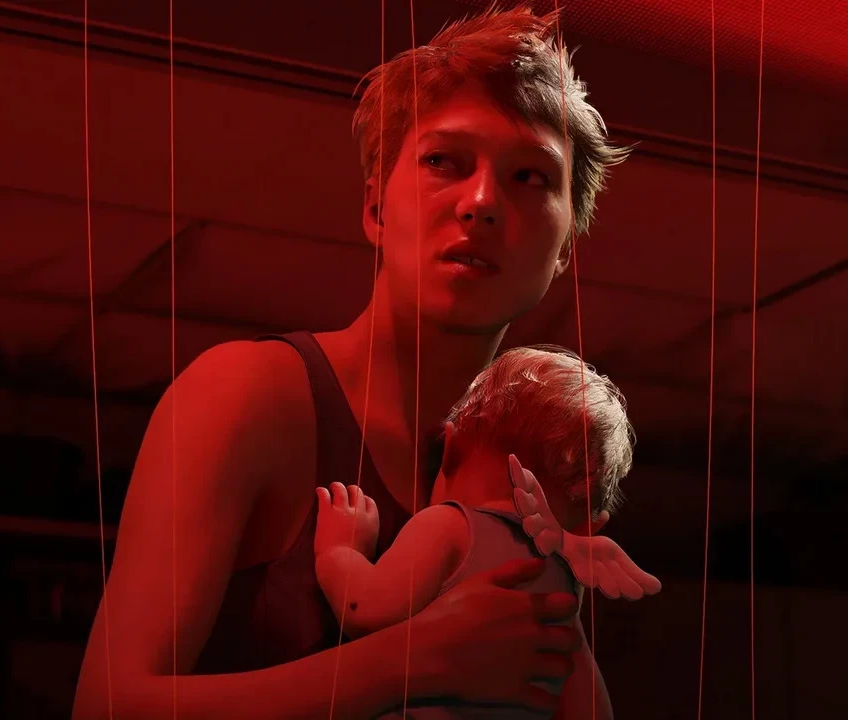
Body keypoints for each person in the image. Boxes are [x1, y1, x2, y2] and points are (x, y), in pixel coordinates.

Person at [72, 5, 630, 718]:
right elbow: (107, 706)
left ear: (565, 252)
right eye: (442, 161)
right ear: (375, 209)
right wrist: (413, 660)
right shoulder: (247, 395)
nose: (482, 201)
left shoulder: (540, 460)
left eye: (529, 176)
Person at [314, 347, 661, 719]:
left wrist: (341, 549)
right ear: (587, 528)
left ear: (449, 450)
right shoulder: (558, 595)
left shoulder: (450, 525)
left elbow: (365, 610)